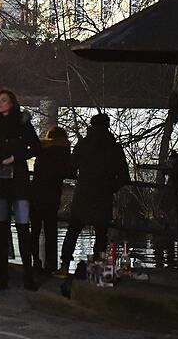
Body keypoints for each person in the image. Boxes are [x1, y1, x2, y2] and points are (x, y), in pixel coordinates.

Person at [0, 88, 41, 291]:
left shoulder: (23, 124)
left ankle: (28, 273)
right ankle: (3, 274)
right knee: (1, 226)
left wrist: (16, 158)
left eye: (3, 100)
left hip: (18, 179)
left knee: (23, 226)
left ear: (12, 103)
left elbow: (35, 147)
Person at [59, 113, 129, 276]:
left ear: (91, 125)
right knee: (101, 234)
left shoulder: (83, 144)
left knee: (73, 231)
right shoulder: (114, 147)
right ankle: (98, 270)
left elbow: (71, 167)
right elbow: (124, 176)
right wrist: (110, 188)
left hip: (83, 193)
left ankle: (64, 266)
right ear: (108, 126)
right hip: (103, 195)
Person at [30, 126, 71, 274]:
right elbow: (68, 171)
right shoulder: (64, 150)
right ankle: (50, 263)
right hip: (53, 193)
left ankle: (34, 261)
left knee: (34, 229)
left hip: (35, 191)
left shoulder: (42, 147)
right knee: (50, 230)